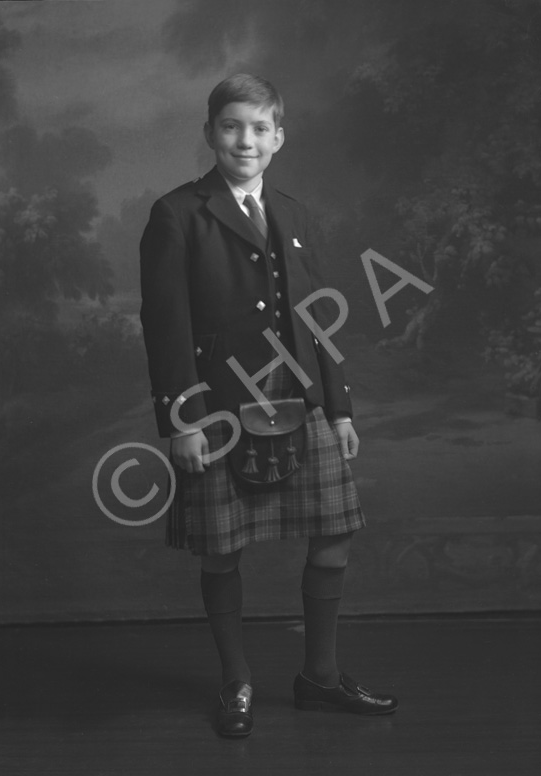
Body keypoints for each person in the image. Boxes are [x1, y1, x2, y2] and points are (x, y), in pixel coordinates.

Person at [140, 73, 398, 737]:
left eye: (258, 128)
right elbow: (165, 327)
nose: (244, 140)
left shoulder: (294, 210)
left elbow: (317, 321)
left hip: (301, 401)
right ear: (209, 135)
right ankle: (237, 683)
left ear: (278, 137)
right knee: (221, 550)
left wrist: (338, 410)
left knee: (334, 532)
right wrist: (182, 421)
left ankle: (320, 676)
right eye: (230, 127)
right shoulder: (177, 214)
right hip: (220, 414)